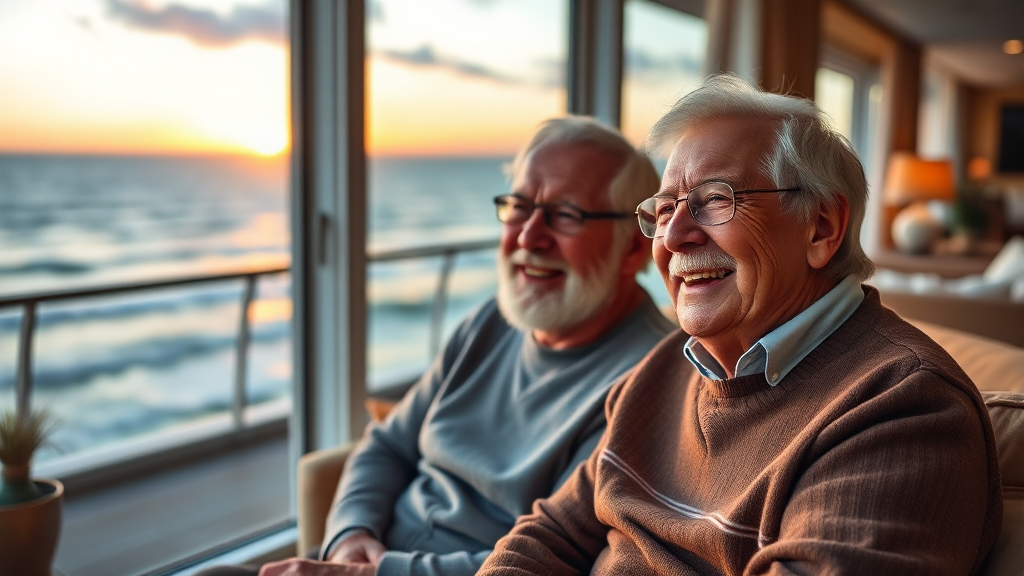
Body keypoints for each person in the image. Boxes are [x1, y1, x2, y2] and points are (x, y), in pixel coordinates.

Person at [477, 74, 1003, 575]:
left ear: (821, 226)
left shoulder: (904, 408)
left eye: (714, 200)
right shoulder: (668, 365)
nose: (676, 235)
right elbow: (549, 534)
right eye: (664, 210)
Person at [204, 116, 676, 576]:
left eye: (565, 214)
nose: (529, 236)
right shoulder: (492, 322)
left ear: (634, 247)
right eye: (519, 206)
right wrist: (349, 536)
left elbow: (558, 558)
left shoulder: (650, 380)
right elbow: (388, 446)